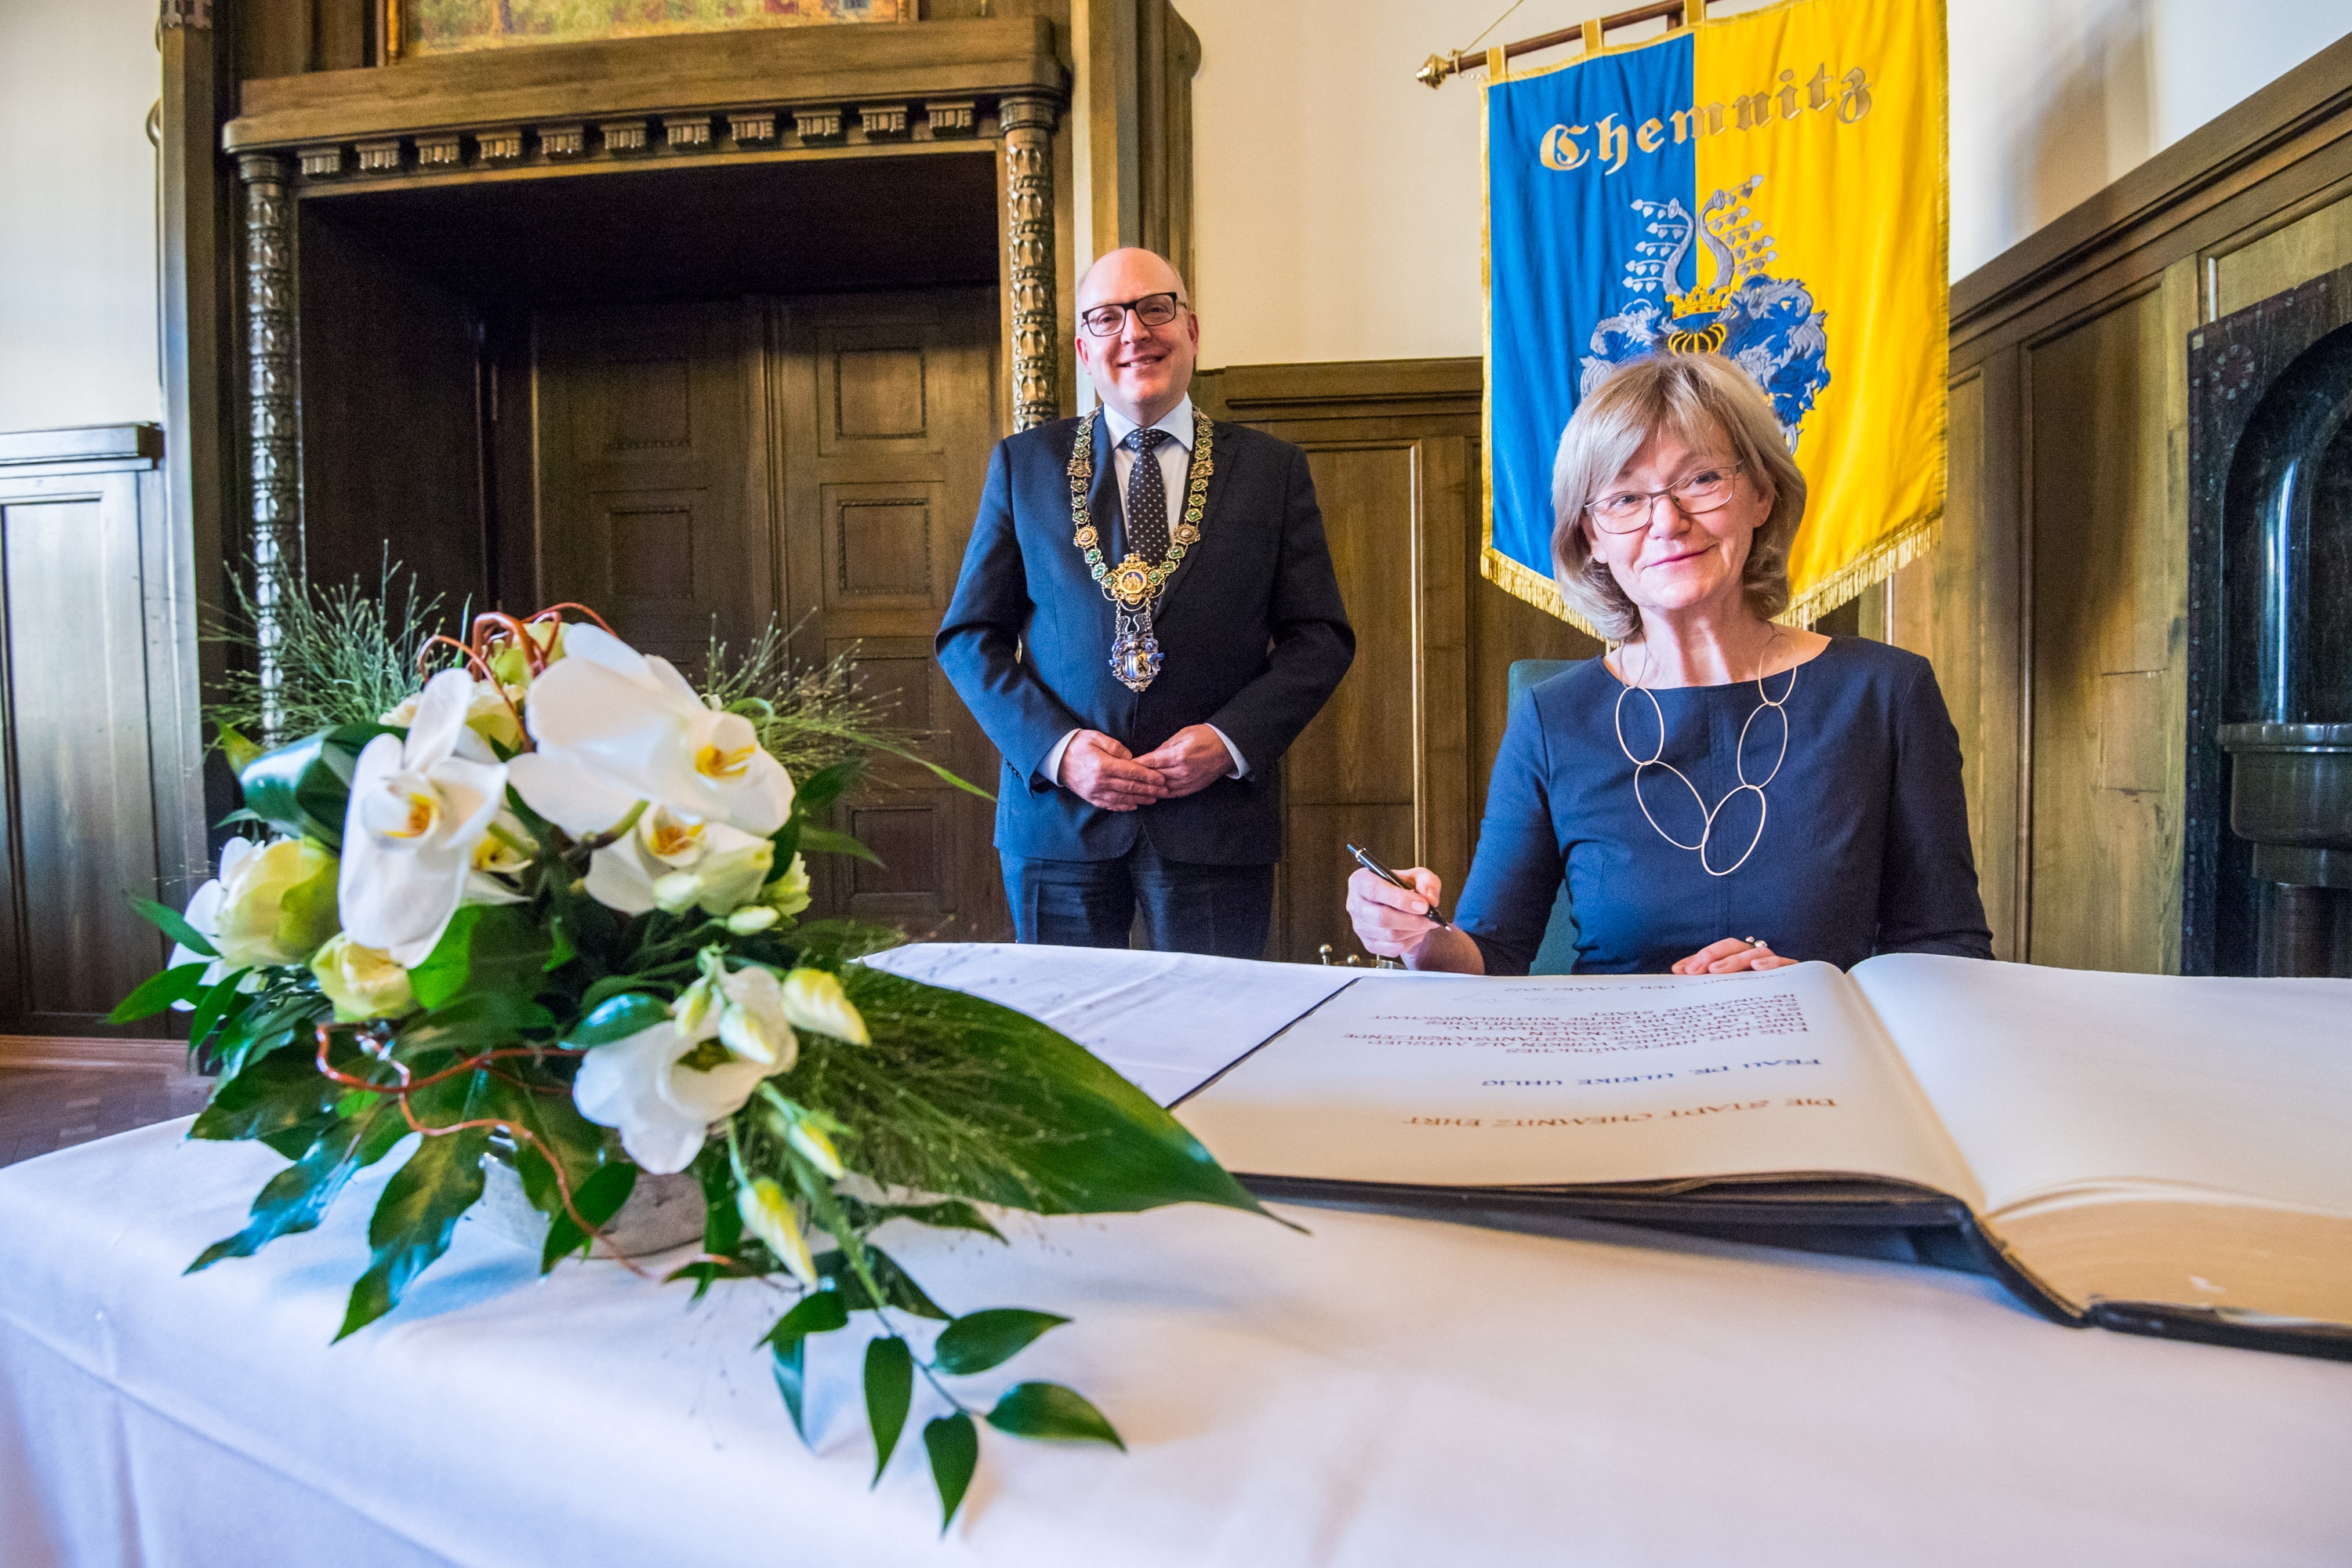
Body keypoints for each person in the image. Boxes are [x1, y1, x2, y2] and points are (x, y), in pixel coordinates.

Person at [1348, 352, 1992, 975]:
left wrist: (1808, 983)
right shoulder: (1552, 717)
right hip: (1611, 1067)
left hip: (1817, 1067)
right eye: (1625, 499)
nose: (1667, 521)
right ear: (1591, 538)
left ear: (1762, 496)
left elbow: (1949, 951)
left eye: (1702, 480)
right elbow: (1494, 951)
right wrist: (1414, 936)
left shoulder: (1887, 694)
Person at [938, 247, 1354, 957]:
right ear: (1082, 348)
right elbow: (970, 636)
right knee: (1066, 1047)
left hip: (1213, 819)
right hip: (1059, 822)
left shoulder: (1270, 471)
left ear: (1191, 329)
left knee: (1215, 1045)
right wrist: (1059, 751)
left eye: (1155, 308)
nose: (1134, 333)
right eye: (1107, 318)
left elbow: (1320, 638)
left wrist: (1227, 745)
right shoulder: (1024, 465)